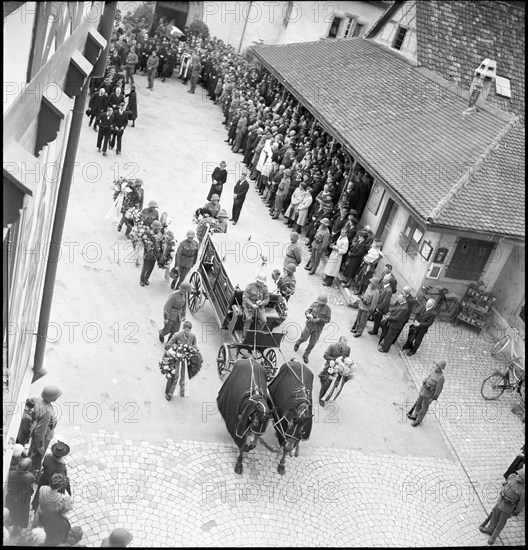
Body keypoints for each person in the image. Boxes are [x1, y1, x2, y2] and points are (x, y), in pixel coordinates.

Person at [479, 467, 525, 546]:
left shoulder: (523, 490)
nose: (519, 477)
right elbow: (505, 485)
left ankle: (493, 537)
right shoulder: (511, 477)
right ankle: (489, 530)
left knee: (501, 523)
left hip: (508, 508)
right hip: (501, 501)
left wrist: (514, 513)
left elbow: (521, 504)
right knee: (494, 516)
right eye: (519, 475)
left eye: (522, 477)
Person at [28, 385, 62, 473]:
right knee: (37, 455)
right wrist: (40, 446)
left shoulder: (39, 399)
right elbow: (40, 431)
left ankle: (29, 463)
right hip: (43, 437)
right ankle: (32, 471)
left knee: (32, 450)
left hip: (35, 428)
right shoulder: (46, 412)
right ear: (53, 398)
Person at [31, 441, 71, 513]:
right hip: (54, 483)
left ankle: (35, 506)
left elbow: (44, 466)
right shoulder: (62, 467)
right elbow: (62, 478)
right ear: (62, 455)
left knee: (39, 494)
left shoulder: (47, 456)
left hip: (44, 479)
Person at [164, 321, 198, 401]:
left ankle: (177, 389)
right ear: (183, 328)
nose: (188, 332)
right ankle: (168, 393)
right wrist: (176, 349)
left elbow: (194, 346)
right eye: (186, 330)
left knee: (183, 376)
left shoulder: (192, 336)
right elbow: (168, 345)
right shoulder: (177, 335)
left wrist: (191, 350)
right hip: (175, 359)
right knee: (173, 375)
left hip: (185, 361)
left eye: (189, 330)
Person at [406, 360, 446, 426]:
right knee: (418, 403)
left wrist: (433, 398)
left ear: (441, 368)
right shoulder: (433, 369)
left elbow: (438, 390)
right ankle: (415, 415)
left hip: (429, 394)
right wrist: (425, 380)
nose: (437, 367)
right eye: (437, 365)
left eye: (439, 367)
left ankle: (418, 420)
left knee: (424, 408)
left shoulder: (441, 378)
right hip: (424, 389)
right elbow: (429, 376)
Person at [294, 294, 332, 363]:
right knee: (303, 338)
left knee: (312, 343)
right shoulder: (314, 304)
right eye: (319, 302)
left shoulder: (328, 310)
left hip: (318, 328)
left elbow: (328, 320)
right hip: (309, 325)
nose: (320, 304)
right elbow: (308, 311)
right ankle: (297, 343)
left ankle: (306, 355)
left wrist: (319, 320)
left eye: (322, 303)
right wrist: (308, 315)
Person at [5, 458, 35, 535]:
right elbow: (32, 482)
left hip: (11, 497)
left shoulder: (10, 473)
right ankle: (16, 527)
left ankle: (8, 525)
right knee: (20, 514)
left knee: (10, 511)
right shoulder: (30, 477)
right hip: (22, 499)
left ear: (17, 466)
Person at [319, 336, 351, 406]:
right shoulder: (332, 346)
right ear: (338, 341)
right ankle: (321, 398)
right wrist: (335, 359)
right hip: (330, 368)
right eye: (342, 344)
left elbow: (347, 358)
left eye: (345, 344)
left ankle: (330, 395)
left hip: (340, 369)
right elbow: (325, 355)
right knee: (326, 383)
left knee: (336, 384)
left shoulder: (348, 348)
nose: (344, 346)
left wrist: (347, 364)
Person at [139, 219, 163, 286]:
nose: (159, 230)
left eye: (159, 229)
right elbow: (145, 242)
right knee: (145, 267)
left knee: (151, 268)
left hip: (155, 255)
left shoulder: (160, 234)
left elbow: (161, 243)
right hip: (148, 254)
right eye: (158, 229)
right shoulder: (148, 233)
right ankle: (142, 279)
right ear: (154, 228)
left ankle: (146, 278)